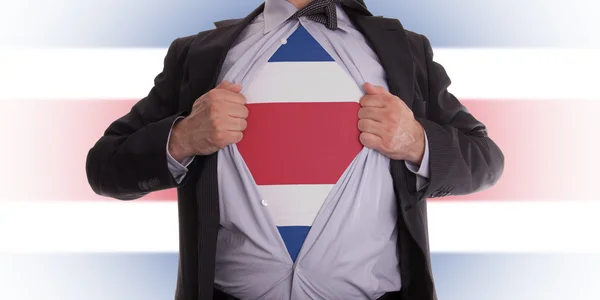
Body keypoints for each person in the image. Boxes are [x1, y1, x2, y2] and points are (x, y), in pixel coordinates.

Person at [86, 0, 504, 299]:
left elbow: (485, 159)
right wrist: (182, 138)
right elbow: (105, 166)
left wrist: (418, 141)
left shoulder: (407, 52)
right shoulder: (196, 54)